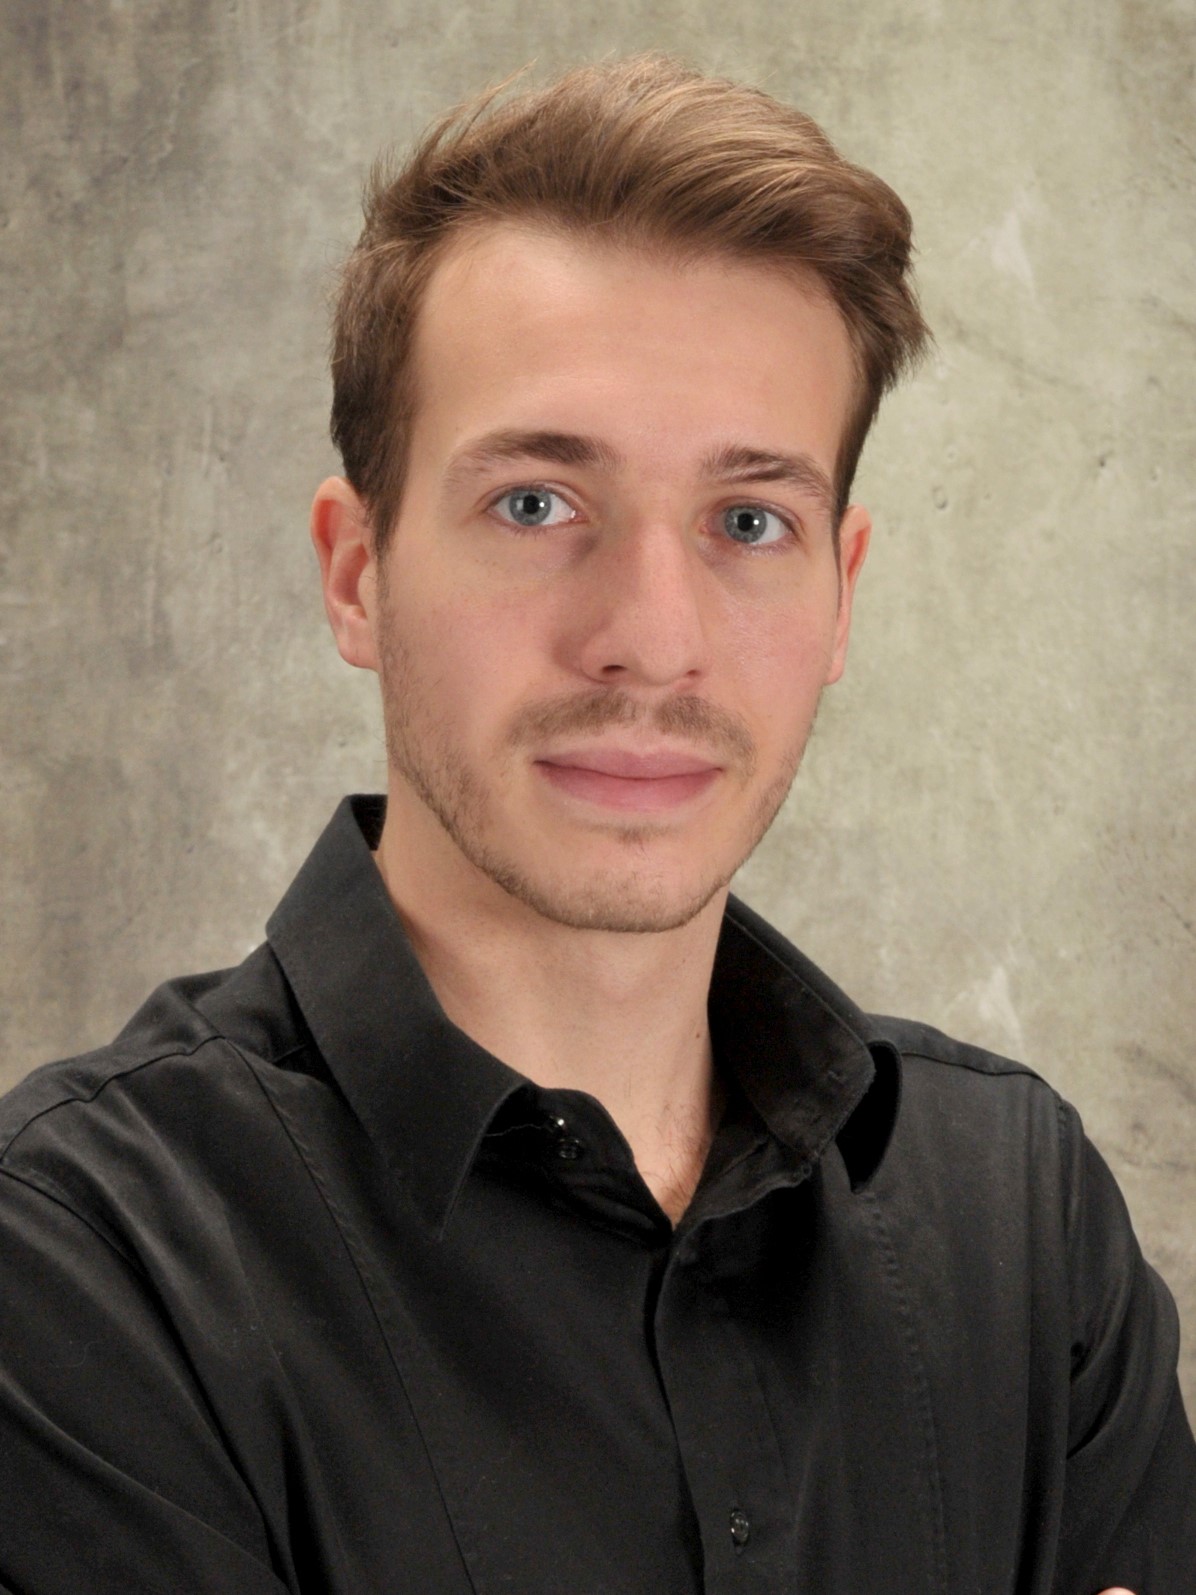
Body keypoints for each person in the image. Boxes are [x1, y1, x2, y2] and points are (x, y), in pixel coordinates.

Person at [0, 52, 1191, 1594]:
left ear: (841, 595)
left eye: (749, 521)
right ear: (356, 572)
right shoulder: (82, 1260)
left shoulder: (1024, 1217)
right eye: (537, 504)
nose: (650, 638)